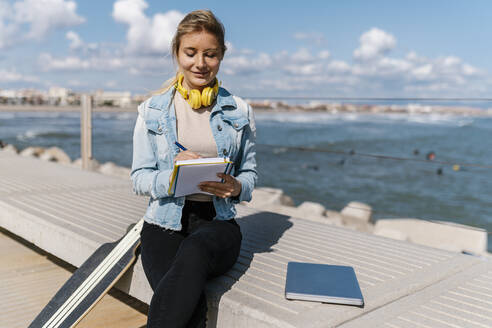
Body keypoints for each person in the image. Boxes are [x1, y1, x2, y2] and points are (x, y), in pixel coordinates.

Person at [130, 10, 257, 328]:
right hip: (163, 224)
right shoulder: (152, 111)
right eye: (191, 52)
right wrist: (173, 177)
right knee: (189, 308)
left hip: (218, 224)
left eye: (210, 54)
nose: (200, 63)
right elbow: (139, 178)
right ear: (177, 54)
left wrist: (236, 187)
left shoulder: (239, 111)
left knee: (196, 251)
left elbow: (250, 175)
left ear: (221, 56)